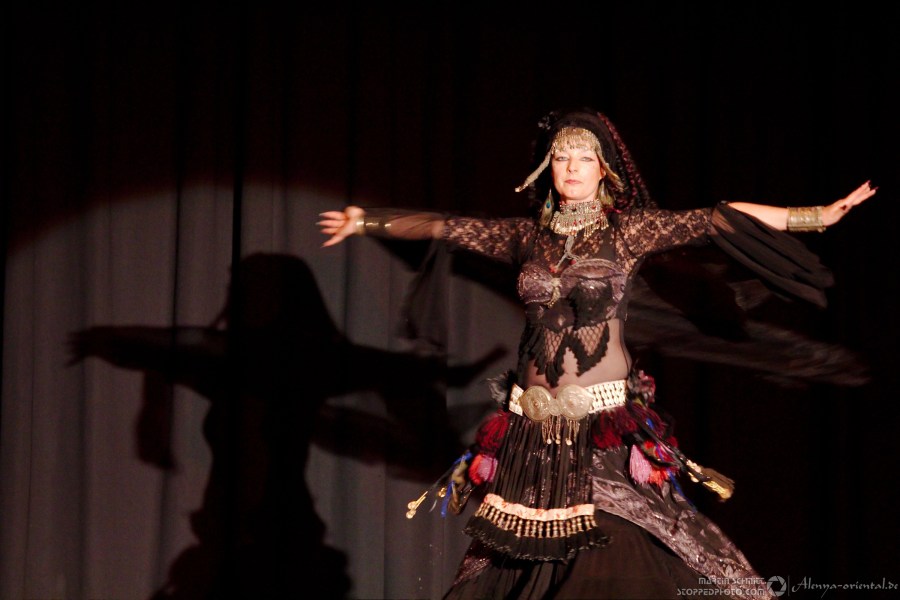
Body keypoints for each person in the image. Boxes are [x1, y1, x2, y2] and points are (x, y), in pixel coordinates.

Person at [318, 108, 876, 599]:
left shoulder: (627, 233)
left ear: (604, 169)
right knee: (512, 569)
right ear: (547, 168)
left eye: (584, 158)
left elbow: (717, 217)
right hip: (529, 432)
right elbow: (448, 228)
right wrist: (365, 220)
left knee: (614, 556)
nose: (572, 168)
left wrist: (816, 215)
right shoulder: (526, 237)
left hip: (603, 427)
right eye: (561, 157)